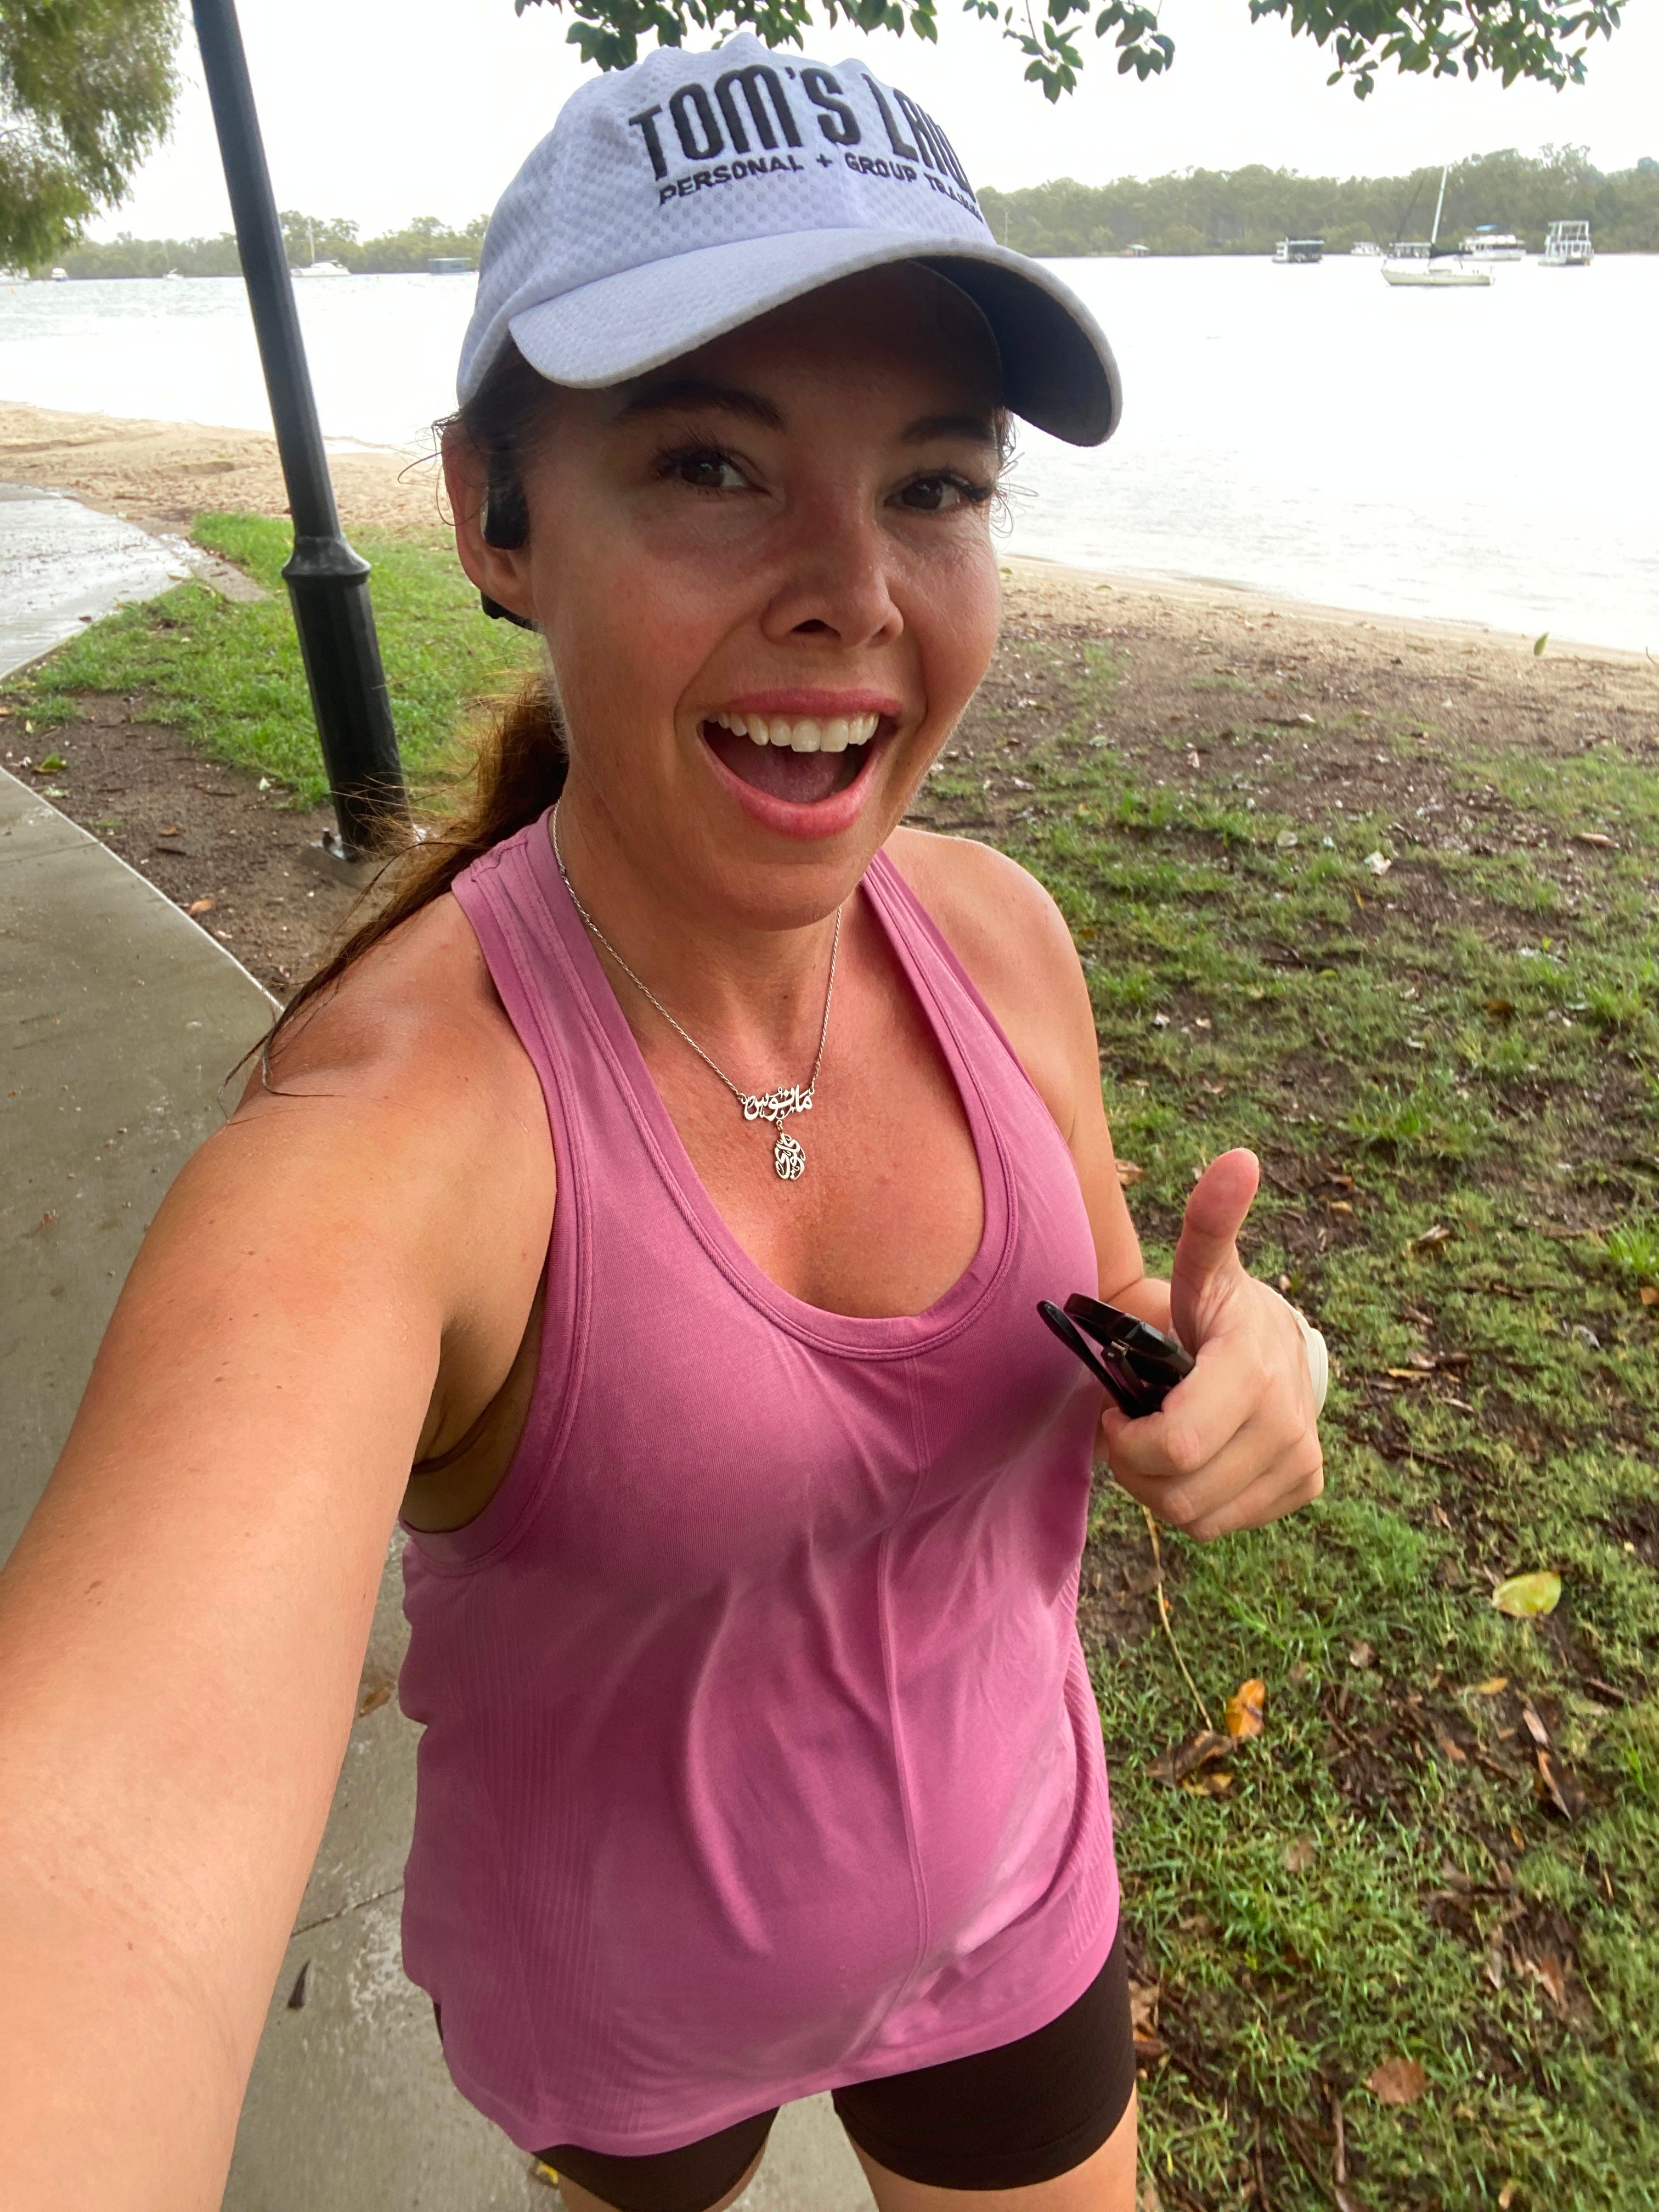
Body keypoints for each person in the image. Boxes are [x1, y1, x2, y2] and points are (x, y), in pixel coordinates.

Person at [0, 39, 1324, 2212]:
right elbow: (93, 1869)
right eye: (714, 465)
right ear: (494, 517)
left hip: (1013, 1925)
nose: (853, 589)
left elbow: (1119, 1323)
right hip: (617, 2023)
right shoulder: (386, 1142)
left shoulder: (1000, 942)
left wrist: (1247, 1370)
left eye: (935, 483)